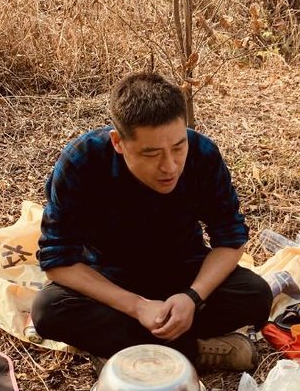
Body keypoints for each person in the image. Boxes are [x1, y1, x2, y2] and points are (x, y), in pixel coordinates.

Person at [31, 71, 273, 370]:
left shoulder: (202, 153)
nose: (170, 166)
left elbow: (231, 237)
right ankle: (194, 351)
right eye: (151, 154)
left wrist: (192, 297)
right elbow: (57, 260)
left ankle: (122, 349)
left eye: (178, 147)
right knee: (48, 311)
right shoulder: (83, 161)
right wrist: (137, 306)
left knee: (255, 295)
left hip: (183, 271)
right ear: (118, 142)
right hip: (110, 279)